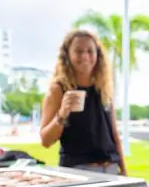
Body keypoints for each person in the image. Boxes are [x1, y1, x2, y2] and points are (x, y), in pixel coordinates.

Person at [40, 30, 127, 175]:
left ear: (97, 55)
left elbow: (114, 134)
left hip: (110, 168)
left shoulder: (103, 87)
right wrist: (62, 114)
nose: (85, 56)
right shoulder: (58, 90)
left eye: (90, 51)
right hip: (78, 170)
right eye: (78, 51)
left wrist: (124, 171)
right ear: (67, 55)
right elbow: (45, 140)